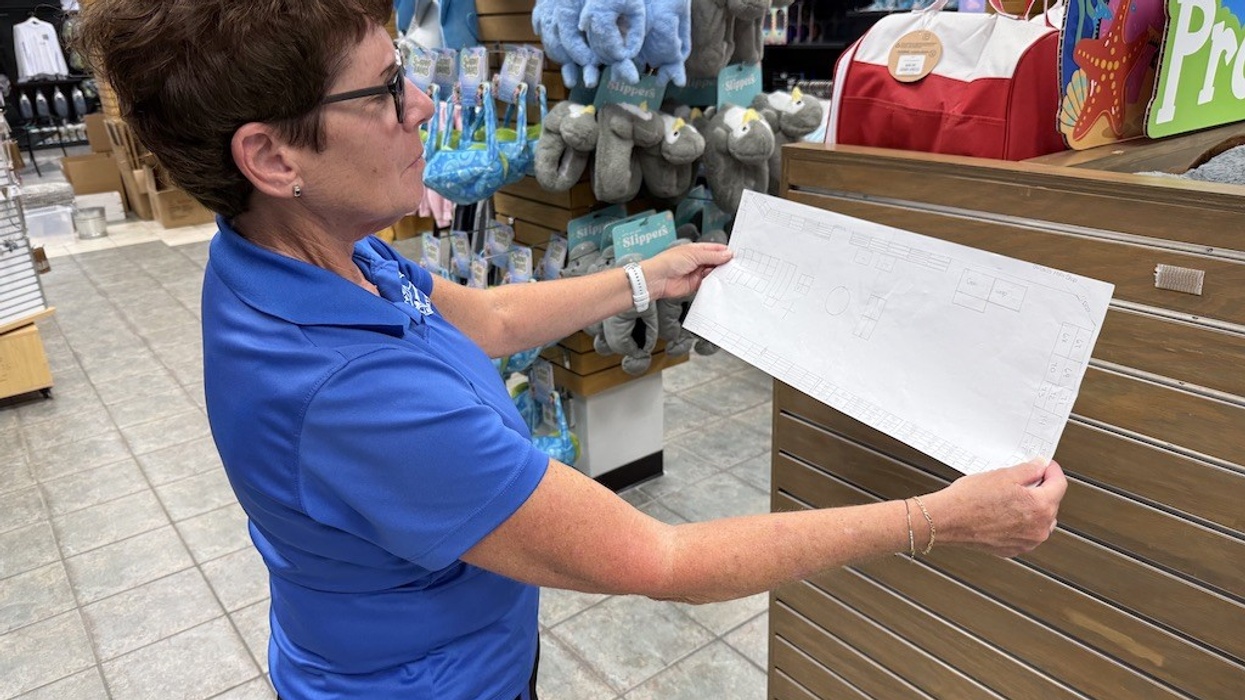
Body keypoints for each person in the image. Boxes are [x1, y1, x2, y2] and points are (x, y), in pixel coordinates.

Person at [76, 2, 1067, 698]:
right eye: (382, 94)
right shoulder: (352, 395)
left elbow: (492, 320)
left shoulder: (307, 254)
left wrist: (648, 276)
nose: (422, 107)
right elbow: (661, 556)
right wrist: (935, 516)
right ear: (272, 155)